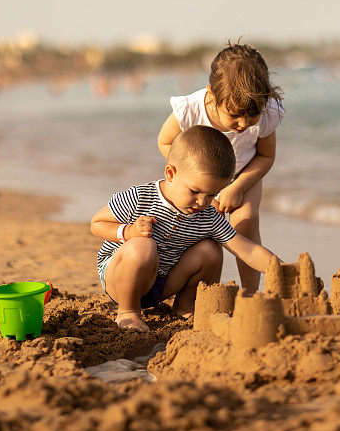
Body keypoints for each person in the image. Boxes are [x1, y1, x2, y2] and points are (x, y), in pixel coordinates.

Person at [91, 125, 279, 331]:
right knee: (143, 247)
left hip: (163, 283)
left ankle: (185, 304)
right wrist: (129, 232)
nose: (202, 202)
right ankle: (128, 312)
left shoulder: (207, 216)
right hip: (120, 280)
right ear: (171, 173)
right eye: (195, 191)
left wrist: (283, 270)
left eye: (211, 195)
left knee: (211, 250)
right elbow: (97, 223)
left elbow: (248, 250)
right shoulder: (140, 197)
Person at [157, 41, 285, 293]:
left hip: (243, 174)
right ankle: (194, 292)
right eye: (235, 115)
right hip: (199, 178)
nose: (244, 123)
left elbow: (266, 157)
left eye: (252, 115)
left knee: (245, 221)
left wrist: (236, 187)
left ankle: (250, 293)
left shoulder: (267, 112)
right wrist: (191, 176)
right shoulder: (191, 109)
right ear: (212, 96)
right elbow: (165, 140)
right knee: (200, 232)